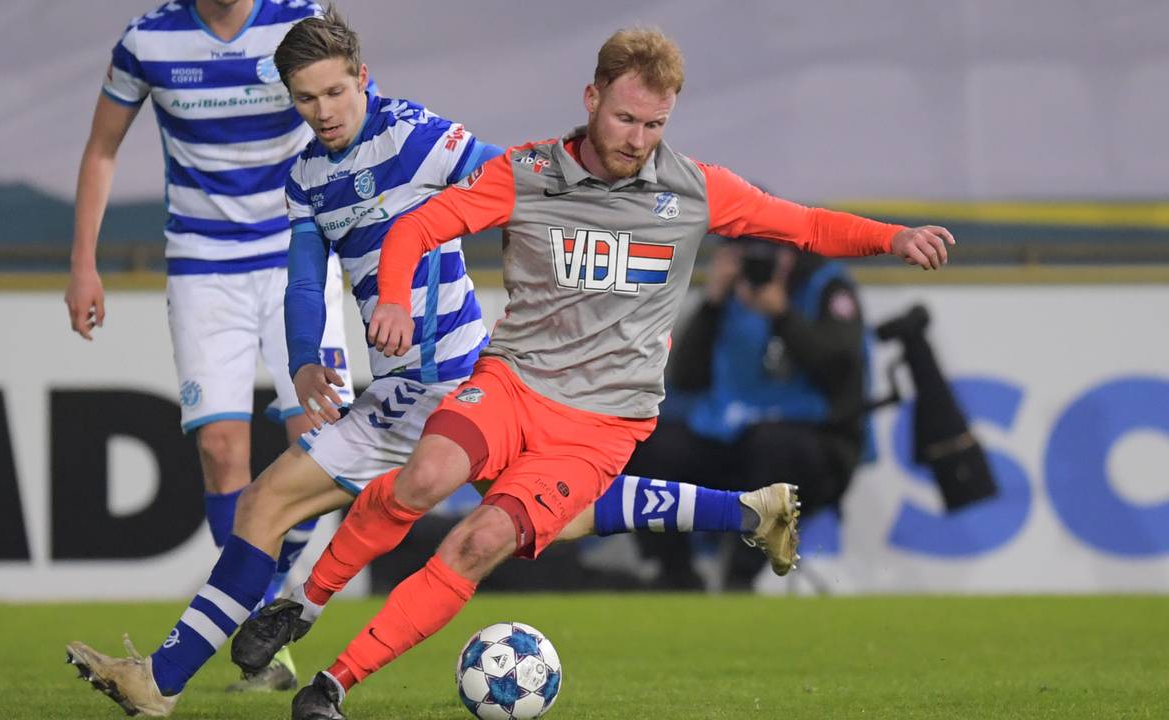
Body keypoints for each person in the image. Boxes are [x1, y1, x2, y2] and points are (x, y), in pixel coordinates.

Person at [65, 10, 794, 718]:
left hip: (467, 382)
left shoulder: (417, 136)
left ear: (363, 78)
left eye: (335, 92)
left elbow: (528, 191)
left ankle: (174, 675)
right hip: (398, 394)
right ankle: (747, 510)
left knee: (529, 513)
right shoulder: (308, 176)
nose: (323, 111)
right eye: (307, 99)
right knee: (275, 506)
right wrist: (304, 361)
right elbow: (303, 278)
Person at [284, 25, 954, 720]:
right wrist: (392, 296)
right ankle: (300, 603)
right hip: (513, 383)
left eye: (655, 124)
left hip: (600, 426)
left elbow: (806, 226)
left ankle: (331, 687)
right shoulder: (528, 173)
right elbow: (417, 228)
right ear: (592, 97)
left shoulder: (695, 190)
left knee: (478, 541)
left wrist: (893, 236)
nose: (638, 138)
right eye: (625, 118)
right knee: (425, 476)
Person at [62, 0, 356, 691]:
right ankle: (262, 642)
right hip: (203, 266)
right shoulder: (147, 41)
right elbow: (102, 149)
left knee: (325, 445)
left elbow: (348, 117)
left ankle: (263, 606)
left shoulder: (300, 20)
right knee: (221, 450)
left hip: (299, 256)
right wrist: (82, 263)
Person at [625, 237, 876, 590]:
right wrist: (712, 302)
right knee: (648, 446)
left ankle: (739, 578)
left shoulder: (825, 285)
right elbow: (686, 377)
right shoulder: (730, 291)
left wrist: (782, 315)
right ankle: (675, 575)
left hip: (810, 444)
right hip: (729, 435)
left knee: (774, 447)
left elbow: (841, 371)